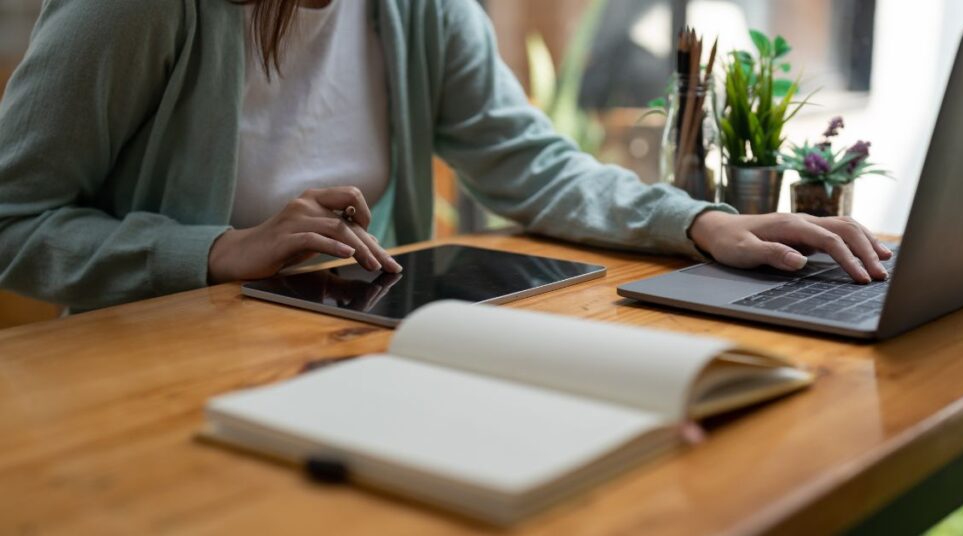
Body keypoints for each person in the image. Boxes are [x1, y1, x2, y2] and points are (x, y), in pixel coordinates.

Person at [0, 0, 890, 312]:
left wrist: (699, 221)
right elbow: (13, 220)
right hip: (155, 372)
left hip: (344, 354)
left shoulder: (420, 8)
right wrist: (214, 252)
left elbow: (532, 161)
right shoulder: (137, 9)